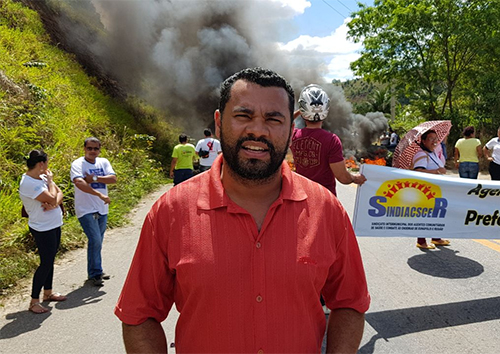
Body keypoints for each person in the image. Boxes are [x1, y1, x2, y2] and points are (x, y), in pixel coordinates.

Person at [115, 67, 370, 354]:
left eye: (274, 119)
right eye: (243, 115)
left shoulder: (328, 211)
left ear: (290, 129)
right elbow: (139, 314)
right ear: (219, 122)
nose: (258, 130)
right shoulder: (171, 211)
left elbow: (350, 302)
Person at [290, 84, 366, 196]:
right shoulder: (332, 140)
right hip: (326, 200)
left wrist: (301, 110)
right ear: (326, 110)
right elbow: (343, 178)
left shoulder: (294, 135)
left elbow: (284, 121)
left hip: (302, 198)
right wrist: (355, 178)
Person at [19, 150, 67, 313]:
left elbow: (59, 194)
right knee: (45, 263)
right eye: (46, 162)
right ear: (41, 164)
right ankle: (34, 301)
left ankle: (48, 293)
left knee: (50, 259)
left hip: (53, 224)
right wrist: (51, 185)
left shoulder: (41, 177)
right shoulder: (29, 183)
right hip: (42, 227)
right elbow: (54, 197)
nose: (48, 166)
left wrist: (53, 201)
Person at [71, 137, 117, 286]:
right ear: (84, 149)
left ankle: (96, 269)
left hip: (102, 207)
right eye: (89, 148)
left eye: (95, 148)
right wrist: (98, 194)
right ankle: (95, 273)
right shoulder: (78, 164)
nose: (92, 151)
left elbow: (113, 179)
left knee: (98, 241)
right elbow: (79, 182)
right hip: (86, 209)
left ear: (99, 150)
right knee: (95, 240)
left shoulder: (103, 162)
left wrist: (95, 178)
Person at [411, 129, 451, 250]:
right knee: (424, 215)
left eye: (435, 139)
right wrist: (437, 171)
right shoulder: (421, 154)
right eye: (430, 139)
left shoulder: (432, 152)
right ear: (423, 141)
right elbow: (418, 171)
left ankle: (436, 237)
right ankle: (421, 240)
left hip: (435, 189)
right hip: (425, 191)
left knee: (436, 214)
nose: (434, 141)